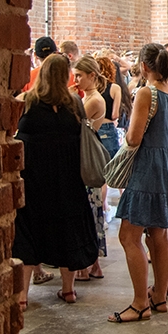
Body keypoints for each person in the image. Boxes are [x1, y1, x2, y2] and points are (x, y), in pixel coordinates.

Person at [13, 54, 98, 310]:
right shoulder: (74, 104)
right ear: (66, 76)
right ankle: (68, 290)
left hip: (34, 179)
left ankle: (22, 296)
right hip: (67, 179)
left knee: (27, 233)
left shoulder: (26, 101)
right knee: (67, 230)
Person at [110, 43, 168, 323]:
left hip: (147, 167)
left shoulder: (146, 91)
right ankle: (160, 297)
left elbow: (133, 138)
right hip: (167, 166)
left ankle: (140, 302)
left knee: (129, 236)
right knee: (160, 234)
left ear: (143, 66)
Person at [70, 56, 110, 282]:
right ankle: (93, 264)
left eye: (79, 76)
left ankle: (89, 263)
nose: (76, 80)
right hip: (83, 156)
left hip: (86, 158)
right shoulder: (87, 97)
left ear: (92, 76)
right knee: (90, 211)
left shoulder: (93, 100)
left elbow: (74, 121)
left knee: (89, 211)